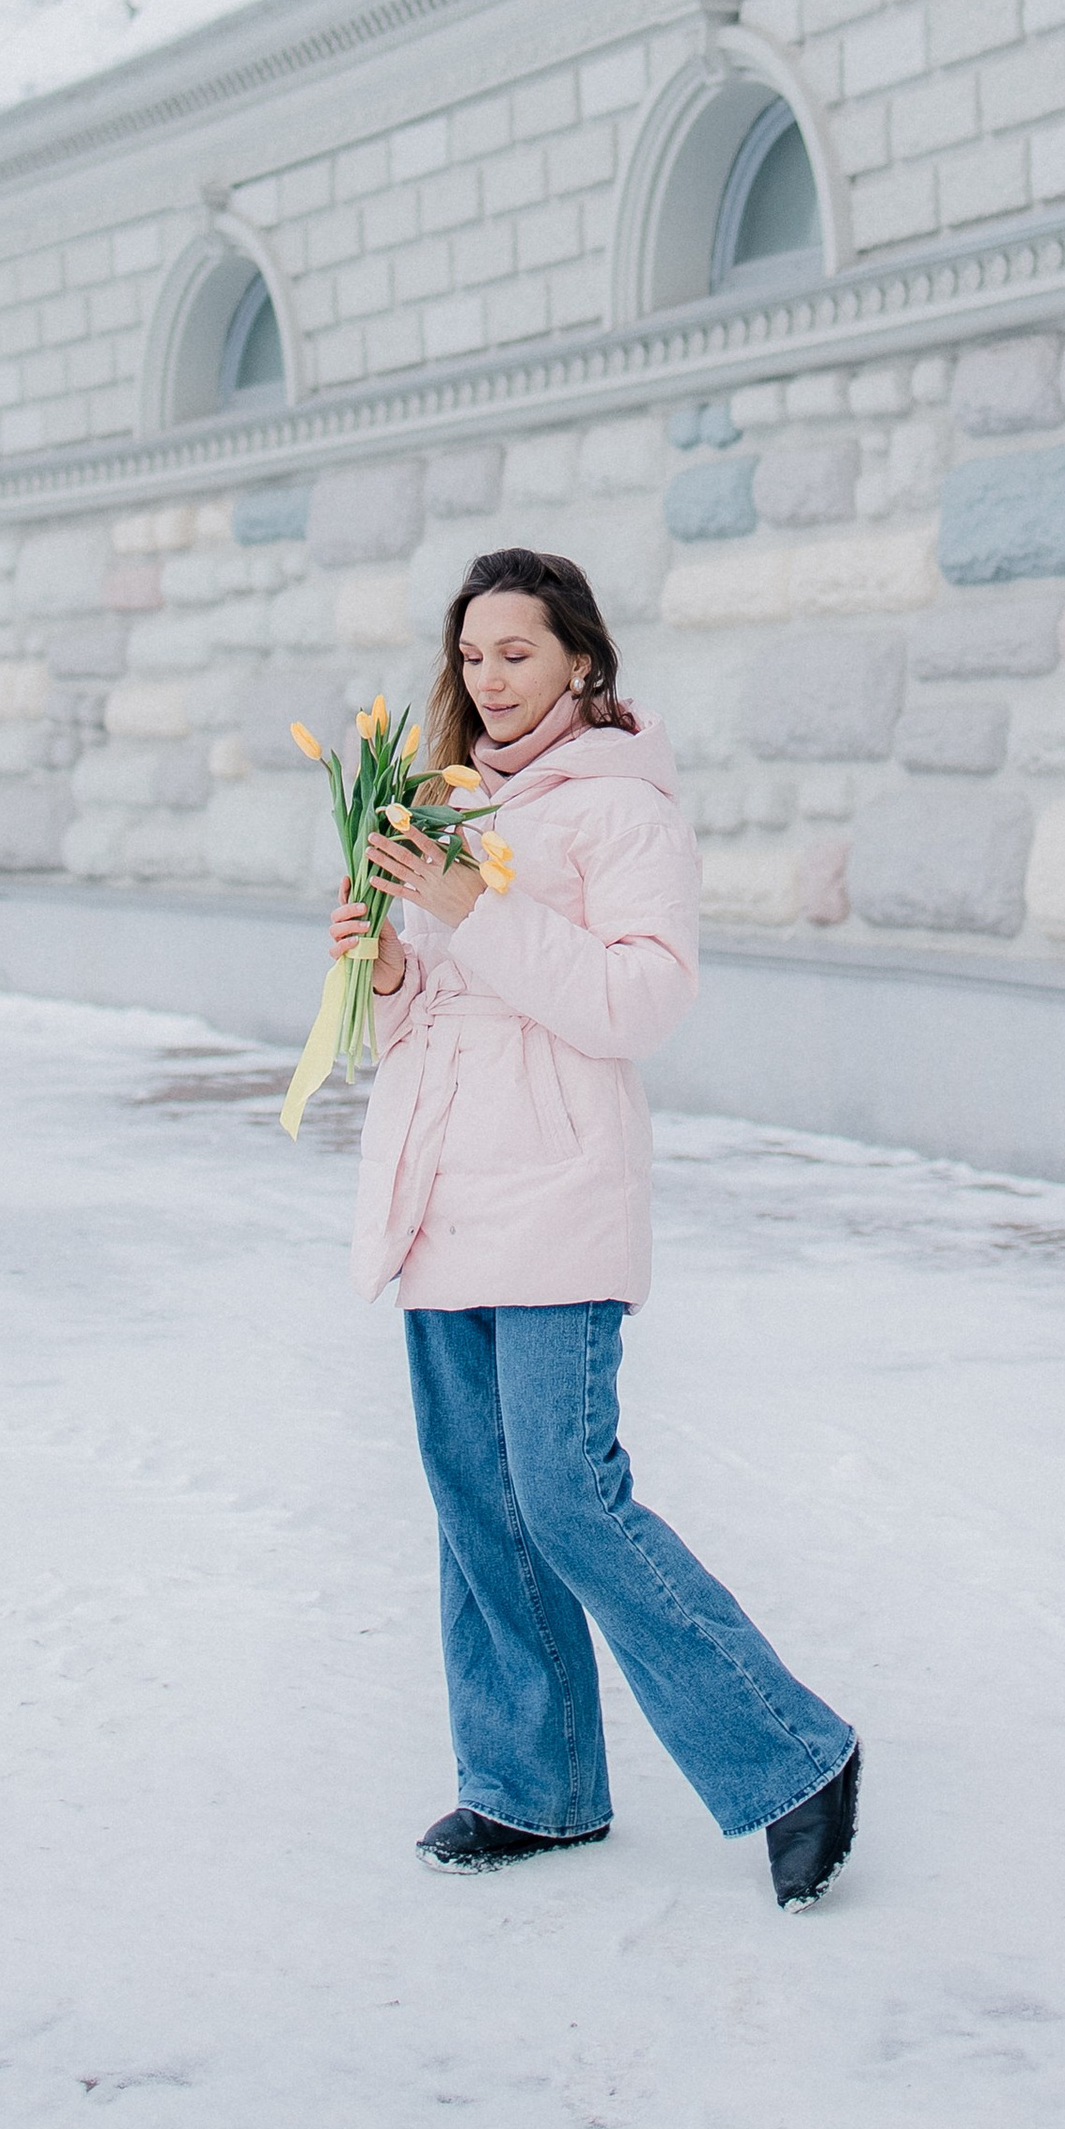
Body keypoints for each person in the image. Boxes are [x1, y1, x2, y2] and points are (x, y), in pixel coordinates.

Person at [328, 544, 860, 1911]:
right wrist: (389, 966)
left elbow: (638, 1005)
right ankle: (535, 1787)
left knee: (569, 1497)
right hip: (443, 1190)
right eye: (471, 655)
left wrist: (473, 912)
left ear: (580, 657)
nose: (489, 679)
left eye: (518, 652)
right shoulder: (442, 804)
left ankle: (793, 1753)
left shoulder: (624, 812)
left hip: (555, 1192)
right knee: (477, 1502)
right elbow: (420, 1028)